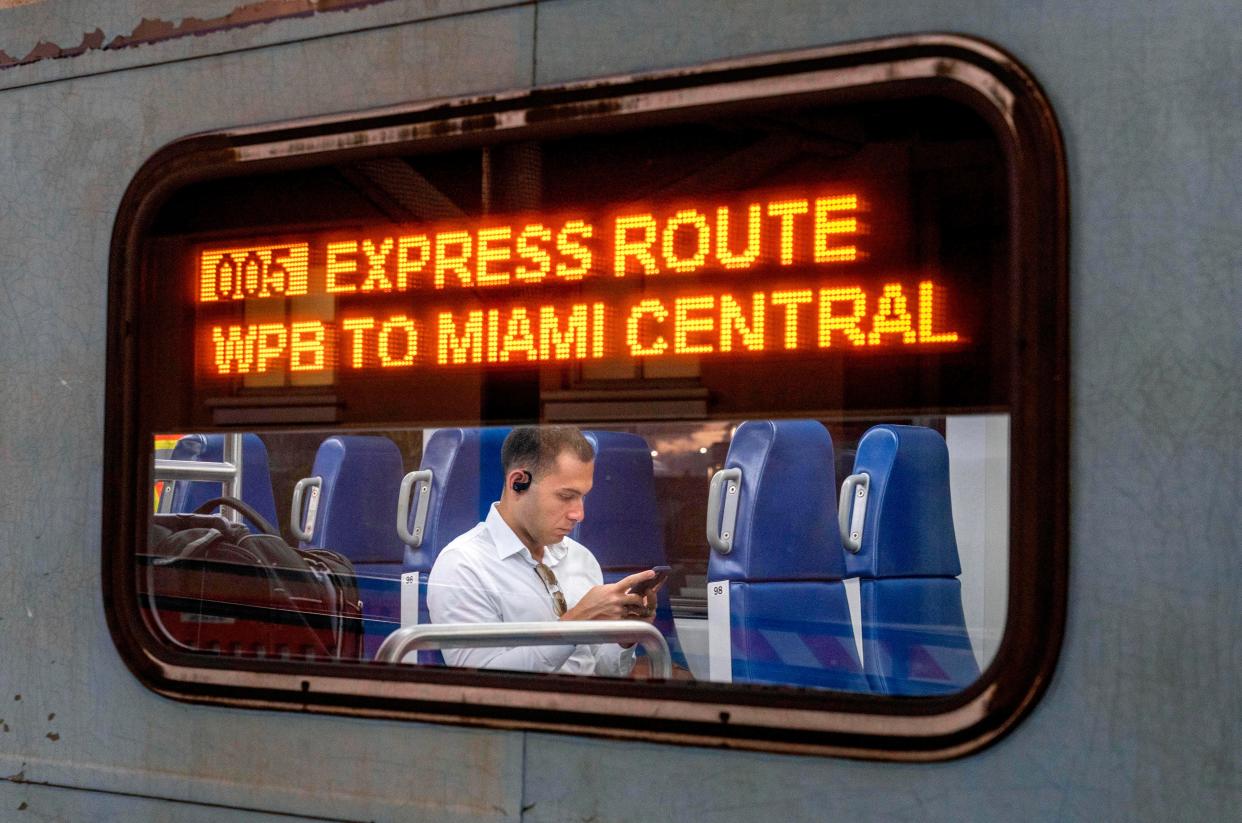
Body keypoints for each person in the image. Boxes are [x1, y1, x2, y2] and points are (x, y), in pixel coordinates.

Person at [425, 426, 662, 676]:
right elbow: (481, 681)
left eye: (582, 497)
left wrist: (625, 638)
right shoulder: (463, 565)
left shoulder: (581, 559)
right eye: (565, 496)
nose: (578, 514)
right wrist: (576, 622)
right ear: (518, 483)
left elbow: (601, 671)